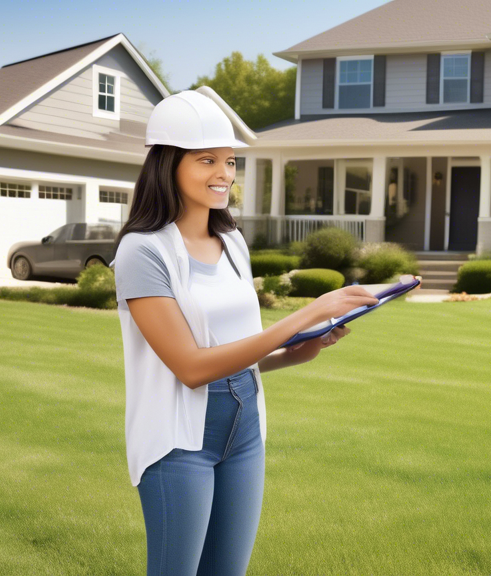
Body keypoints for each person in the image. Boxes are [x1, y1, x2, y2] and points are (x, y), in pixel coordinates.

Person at [112, 90, 379, 576]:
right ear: (167, 164)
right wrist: (302, 317)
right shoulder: (142, 252)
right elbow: (192, 367)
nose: (224, 174)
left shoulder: (232, 242)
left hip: (245, 431)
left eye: (231, 161)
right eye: (207, 160)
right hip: (179, 443)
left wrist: (296, 352)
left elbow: (239, 354)